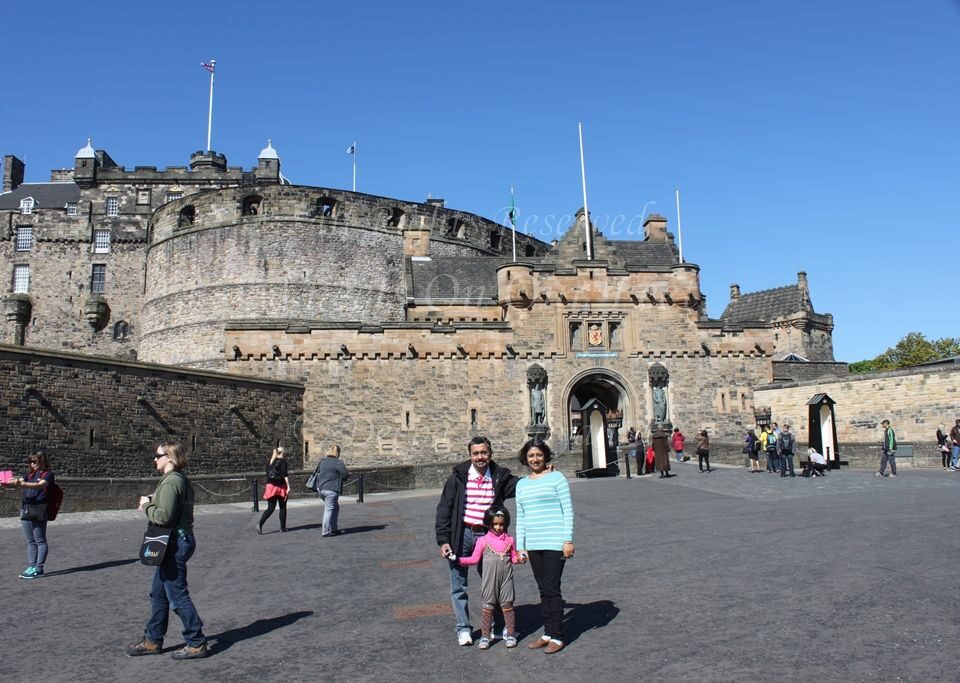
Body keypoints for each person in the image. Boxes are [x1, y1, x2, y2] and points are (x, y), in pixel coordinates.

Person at [127, 442, 207, 660]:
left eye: (158, 455)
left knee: (177, 595)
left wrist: (146, 506)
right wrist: (155, 499)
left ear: (170, 458)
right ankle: (153, 640)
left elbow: (164, 517)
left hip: (174, 543)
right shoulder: (176, 479)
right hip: (177, 541)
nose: (155, 459)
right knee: (159, 594)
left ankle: (196, 642)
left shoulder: (172, 482)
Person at [435, 436, 518, 646]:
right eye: (476, 453)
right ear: (470, 455)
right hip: (461, 535)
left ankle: (496, 626)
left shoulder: (500, 477)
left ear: (490, 453)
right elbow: (444, 510)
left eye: (484, 452)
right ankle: (463, 629)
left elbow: (523, 486)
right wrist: (443, 540)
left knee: (495, 583)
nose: (480, 457)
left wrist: (544, 472)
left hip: (490, 536)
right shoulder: (458, 478)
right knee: (458, 584)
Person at [515, 439, 574, 655]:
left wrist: (567, 540)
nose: (535, 459)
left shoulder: (557, 478)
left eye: (539, 455)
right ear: (525, 458)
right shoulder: (521, 484)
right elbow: (521, 516)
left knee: (551, 588)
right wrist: (520, 547)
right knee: (543, 590)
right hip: (533, 544)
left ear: (545, 456)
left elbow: (567, 510)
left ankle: (557, 635)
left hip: (554, 543)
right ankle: (548, 633)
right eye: (531, 456)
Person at [458, 506, 521, 649]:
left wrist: (522, 557)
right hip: (489, 579)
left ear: (506, 523)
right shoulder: (483, 540)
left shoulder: (510, 540)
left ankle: (510, 634)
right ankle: (485, 636)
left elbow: (514, 558)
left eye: (501, 524)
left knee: (507, 604)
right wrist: (458, 559)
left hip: (506, 578)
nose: (498, 527)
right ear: (489, 523)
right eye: (495, 524)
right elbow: (474, 559)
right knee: (488, 605)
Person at [9, 452, 54, 579]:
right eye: (30, 462)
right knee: (30, 540)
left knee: (40, 540)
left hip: (39, 508)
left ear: (42, 462)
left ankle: (39, 569)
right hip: (26, 508)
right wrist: (9, 482)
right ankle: (31, 566)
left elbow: (40, 485)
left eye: (35, 461)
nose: (32, 464)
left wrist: (21, 484)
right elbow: (21, 481)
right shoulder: (29, 474)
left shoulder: (48, 474)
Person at [314, 445, 349, 537]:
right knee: (329, 509)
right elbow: (345, 475)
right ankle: (325, 531)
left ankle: (333, 528)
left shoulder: (322, 461)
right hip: (331, 489)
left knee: (335, 507)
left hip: (320, 489)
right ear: (338, 453)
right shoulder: (338, 462)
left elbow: (318, 472)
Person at [258, 447, 290, 534]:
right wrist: (288, 486)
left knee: (270, 508)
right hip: (280, 486)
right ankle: (282, 528)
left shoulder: (270, 461)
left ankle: (260, 523)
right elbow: (284, 474)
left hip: (270, 486)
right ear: (282, 453)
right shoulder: (283, 461)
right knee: (282, 507)